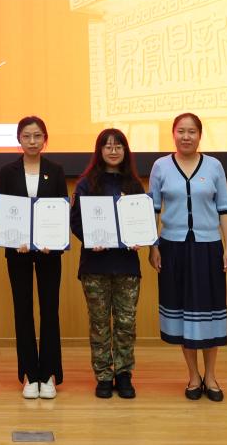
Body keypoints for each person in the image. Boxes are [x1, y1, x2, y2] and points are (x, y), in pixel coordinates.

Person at [147, 113, 227, 402]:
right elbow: (153, 209)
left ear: (200, 135)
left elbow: (224, 208)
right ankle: (193, 376)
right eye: (181, 131)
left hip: (208, 248)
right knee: (183, 312)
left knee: (209, 312)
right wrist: (153, 246)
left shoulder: (214, 166)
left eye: (192, 131)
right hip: (172, 248)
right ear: (173, 134)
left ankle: (211, 376)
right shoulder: (160, 166)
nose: (186, 136)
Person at [69, 128, 145, 400]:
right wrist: (91, 239)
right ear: (99, 151)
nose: (113, 151)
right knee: (99, 324)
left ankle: (123, 374)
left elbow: (141, 220)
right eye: (108, 146)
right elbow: (75, 221)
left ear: (125, 151)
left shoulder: (134, 185)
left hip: (126, 265)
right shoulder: (86, 184)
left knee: (126, 323)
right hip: (95, 265)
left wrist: (138, 237)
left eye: (118, 146)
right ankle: (103, 375)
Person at [0, 116, 69, 399]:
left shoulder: (56, 170)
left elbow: (61, 210)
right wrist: (15, 240)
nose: (32, 141)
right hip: (19, 252)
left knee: (50, 310)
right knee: (23, 309)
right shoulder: (8, 171)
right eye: (27, 136)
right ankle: (28, 373)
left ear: (45, 139)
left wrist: (55, 240)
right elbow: (6, 212)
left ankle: (48, 373)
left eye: (38, 136)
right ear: (19, 139)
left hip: (50, 253)